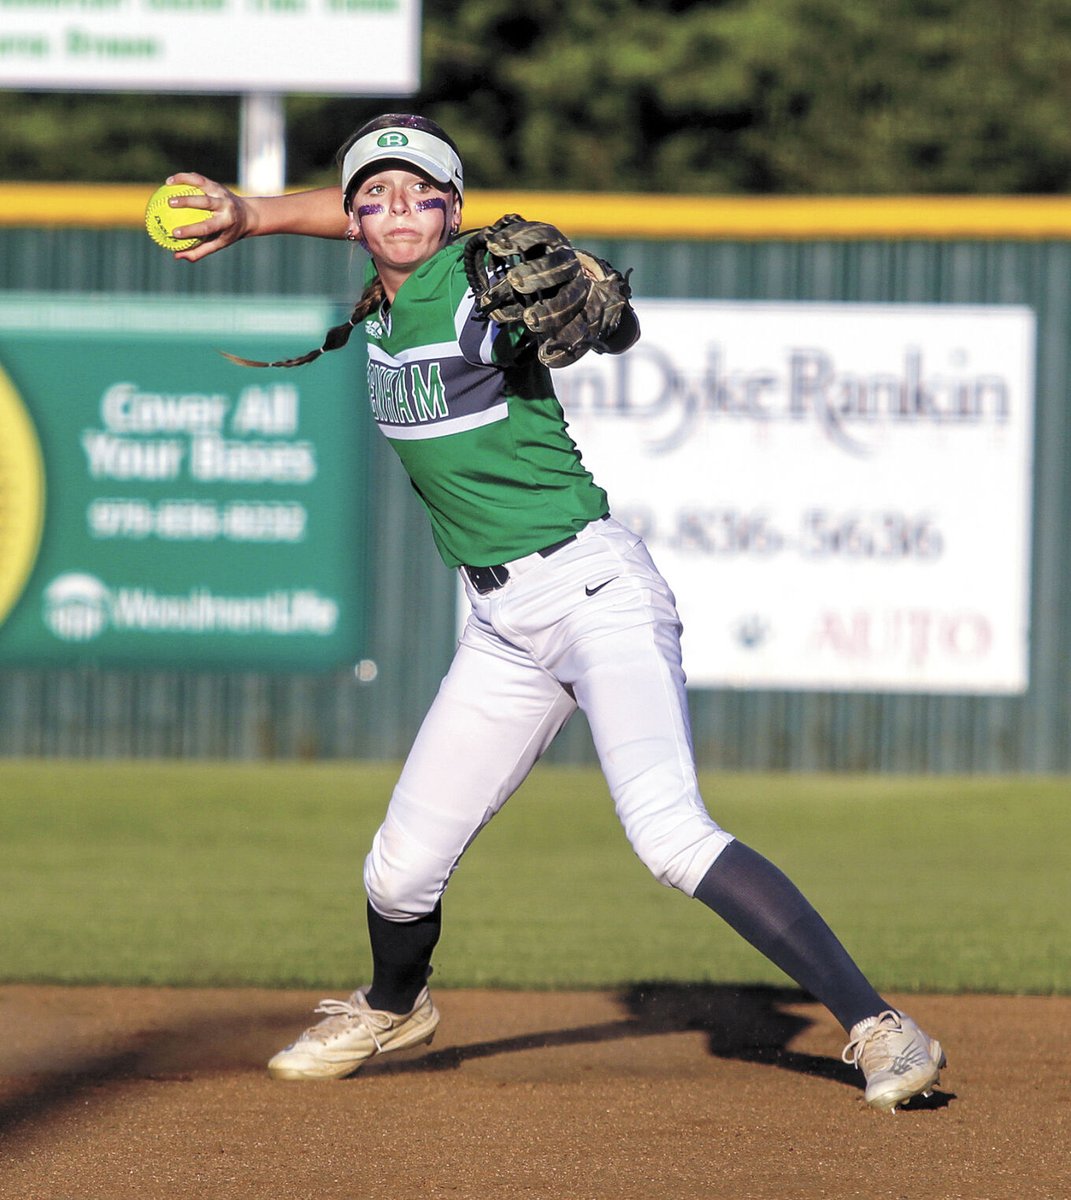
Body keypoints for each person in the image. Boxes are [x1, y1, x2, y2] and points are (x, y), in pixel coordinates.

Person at [166, 113, 945, 1113]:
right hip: (499, 626)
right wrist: (254, 212)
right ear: (354, 219)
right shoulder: (385, 284)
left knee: (669, 834)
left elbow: (600, 322)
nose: (398, 207)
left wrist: (604, 314)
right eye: (376, 195)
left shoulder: (473, 282)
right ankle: (393, 1004)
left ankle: (883, 1027)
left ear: (454, 212)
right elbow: (363, 208)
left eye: (424, 194)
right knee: (399, 874)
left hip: (594, 592)